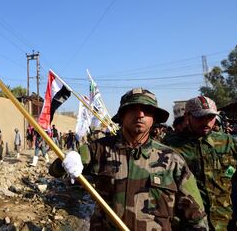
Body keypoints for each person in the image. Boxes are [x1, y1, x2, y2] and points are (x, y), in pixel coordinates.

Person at [50, 88, 208, 230]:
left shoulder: (172, 160)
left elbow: (196, 218)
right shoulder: (97, 149)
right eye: (133, 109)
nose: (140, 114)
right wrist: (66, 161)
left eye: (146, 110)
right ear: (122, 116)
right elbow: (55, 172)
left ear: (154, 117)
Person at [163, 96, 237, 230]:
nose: (207, 122)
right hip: (188, 225)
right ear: (187, 117)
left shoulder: (227, 143)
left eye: (211, 117)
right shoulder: (169, 147)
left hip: (224, 223)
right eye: (200, 117)